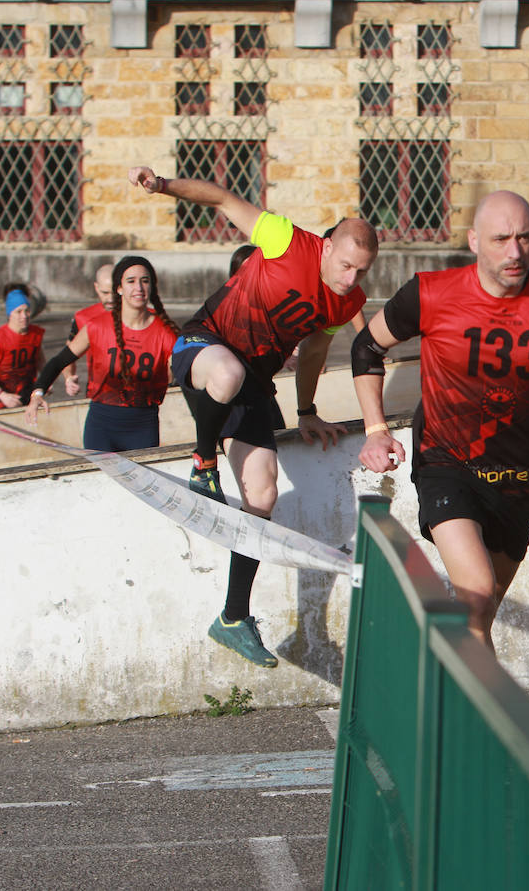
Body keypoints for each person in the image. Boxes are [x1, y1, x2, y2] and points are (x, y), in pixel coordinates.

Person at [128, 164, 378, 668]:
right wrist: (162, 186)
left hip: (252, 384)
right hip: (205, 345)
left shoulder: (346, 299)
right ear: (327, 246)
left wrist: (306, 410)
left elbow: (311, 355)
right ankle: (202, 464)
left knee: (261, 496)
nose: (349, 279)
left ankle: (233, 616)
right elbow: (221, 198)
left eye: (361, 271)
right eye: (345, 264)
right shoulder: (285, 239)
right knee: (227, 374)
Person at [354, 191, 529, 654]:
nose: (515, 252)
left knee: (478, 616)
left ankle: (436, 699)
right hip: (445, 462)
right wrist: (375, 429)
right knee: (476, 593)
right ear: (473, 241)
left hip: (516, 476)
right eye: (501, 239)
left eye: (525, 239)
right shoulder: (430, 292)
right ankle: (487, 723)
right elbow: (366, 347)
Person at [24, 256, 180, 451]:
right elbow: (59, 361)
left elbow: (187, 376)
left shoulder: (166, 332)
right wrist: (37, 393)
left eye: (145, 281)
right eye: (131, 281)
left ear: (152, 287)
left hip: (142, 426)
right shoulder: (96, 326)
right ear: (119, 288)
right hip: (101, 425)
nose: (138, 288)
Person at [0, 285, 45, 409]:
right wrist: (2, 395)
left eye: (27, 310)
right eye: (19, 311)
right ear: (10, 314)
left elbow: (40, 361)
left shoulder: (36, 334)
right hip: (1, 400)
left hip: (27, 396)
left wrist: (46, 382)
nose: (24, 316)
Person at [61, 263, 116, 397]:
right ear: (96, 287)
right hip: (98, 393)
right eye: (105, 293)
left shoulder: (139, 315)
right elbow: (66, 356)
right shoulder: (84, 318)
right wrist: (69, 378)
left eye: (114, 292)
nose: (111, 298)